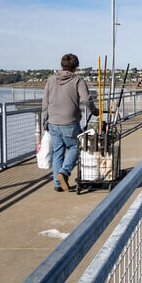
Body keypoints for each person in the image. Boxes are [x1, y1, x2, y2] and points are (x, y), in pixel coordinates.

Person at [42, 53, 98, 192]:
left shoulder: (50, 80)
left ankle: (57, 184)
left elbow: (45, 103)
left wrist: (45, 121)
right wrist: (94, 111)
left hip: (53, 121)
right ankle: (64, 172)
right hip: (70, 122)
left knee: (58, 152)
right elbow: (86, 99)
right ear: (75, 66)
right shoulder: (78, 81)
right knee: (76, 147)